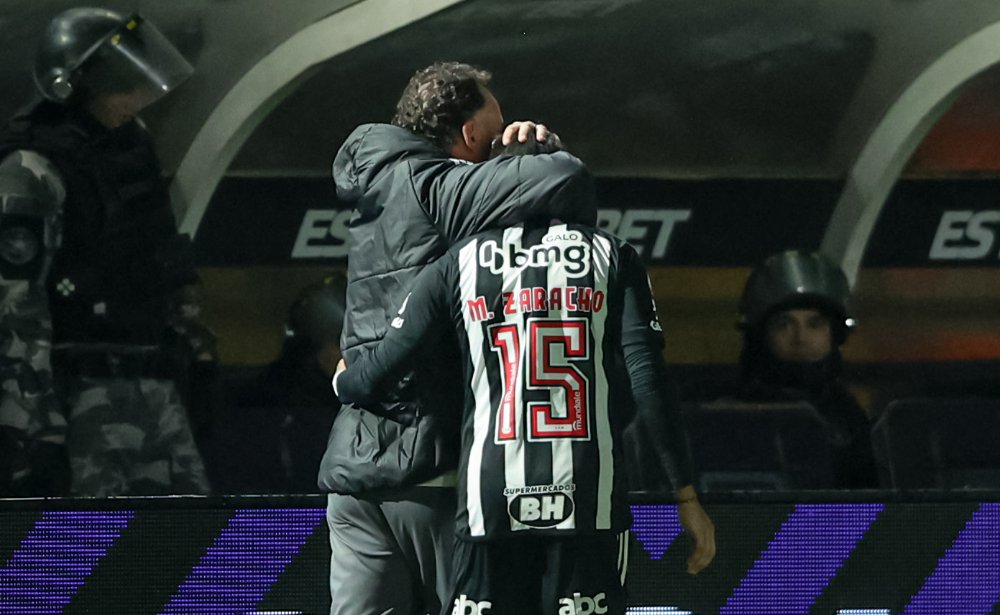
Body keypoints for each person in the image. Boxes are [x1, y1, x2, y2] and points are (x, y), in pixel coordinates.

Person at [333, 140, 714, 614]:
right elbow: (648, 380)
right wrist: (685, 494)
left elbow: (385, 366)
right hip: (586, 497)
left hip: (490, 497)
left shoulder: (458, 262)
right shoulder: (613, 255)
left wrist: (344, 381)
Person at [319, 61, 602, 615]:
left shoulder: (378, 186)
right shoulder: (434, 186)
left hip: (356, 475)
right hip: (433, 471)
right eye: (495, 130)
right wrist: (535, 149)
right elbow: (566, 179)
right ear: (470, 135)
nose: (502, 137)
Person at [0, 7, 213, 496]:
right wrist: (34, 424)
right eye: (120, 85)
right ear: (72, 87)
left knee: (185, 531)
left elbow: (162, 261)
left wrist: (199, 357)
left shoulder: (131, 149)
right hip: (76, 396)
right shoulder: (31, 169)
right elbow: (16, 310)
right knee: (85, 539)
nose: (135, 97)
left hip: (154, 387)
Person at [733, 250, 878, 489]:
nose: (800, 338)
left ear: (836, 334)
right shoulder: (729, 412)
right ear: (759, 336)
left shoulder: (849, 416)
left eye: (815, 324)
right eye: (784, 325)